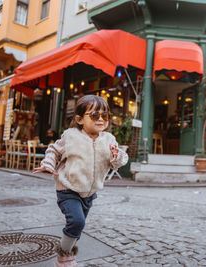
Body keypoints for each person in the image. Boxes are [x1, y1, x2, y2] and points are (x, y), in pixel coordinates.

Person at [33, 95, 128, 266]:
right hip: (67, 189)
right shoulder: (71, 136)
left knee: (77, 227)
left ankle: (67, 256)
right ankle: (64, 258)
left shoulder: (109, 139)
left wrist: (117, 156)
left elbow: (119, 161)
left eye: (104, 115)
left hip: (89, 193)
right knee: (77, 222)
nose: (100, 119)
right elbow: (54, 150)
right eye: (94, 115)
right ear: (79, 119)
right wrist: (48, 164)